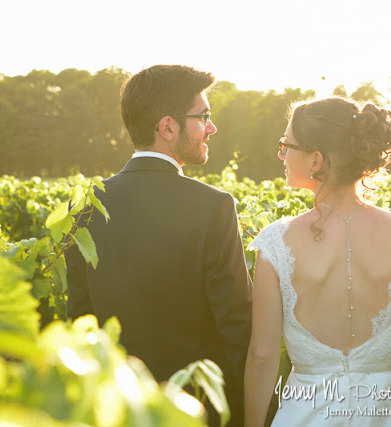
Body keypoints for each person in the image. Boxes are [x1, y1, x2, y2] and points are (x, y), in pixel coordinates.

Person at [65, 65, 252, 426]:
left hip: (113, 409)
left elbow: (81, 321)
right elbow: (236, 324)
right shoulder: (214, 206)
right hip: (193, 410)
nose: (211, 127)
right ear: (167, 127)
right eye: (204, 117)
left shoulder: (84, 206)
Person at [244, 97, 391, 426]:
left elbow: (263, 358)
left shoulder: (276, 242)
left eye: (287, 145)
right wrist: (383, 384)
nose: (281, 153)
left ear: (316, 160)